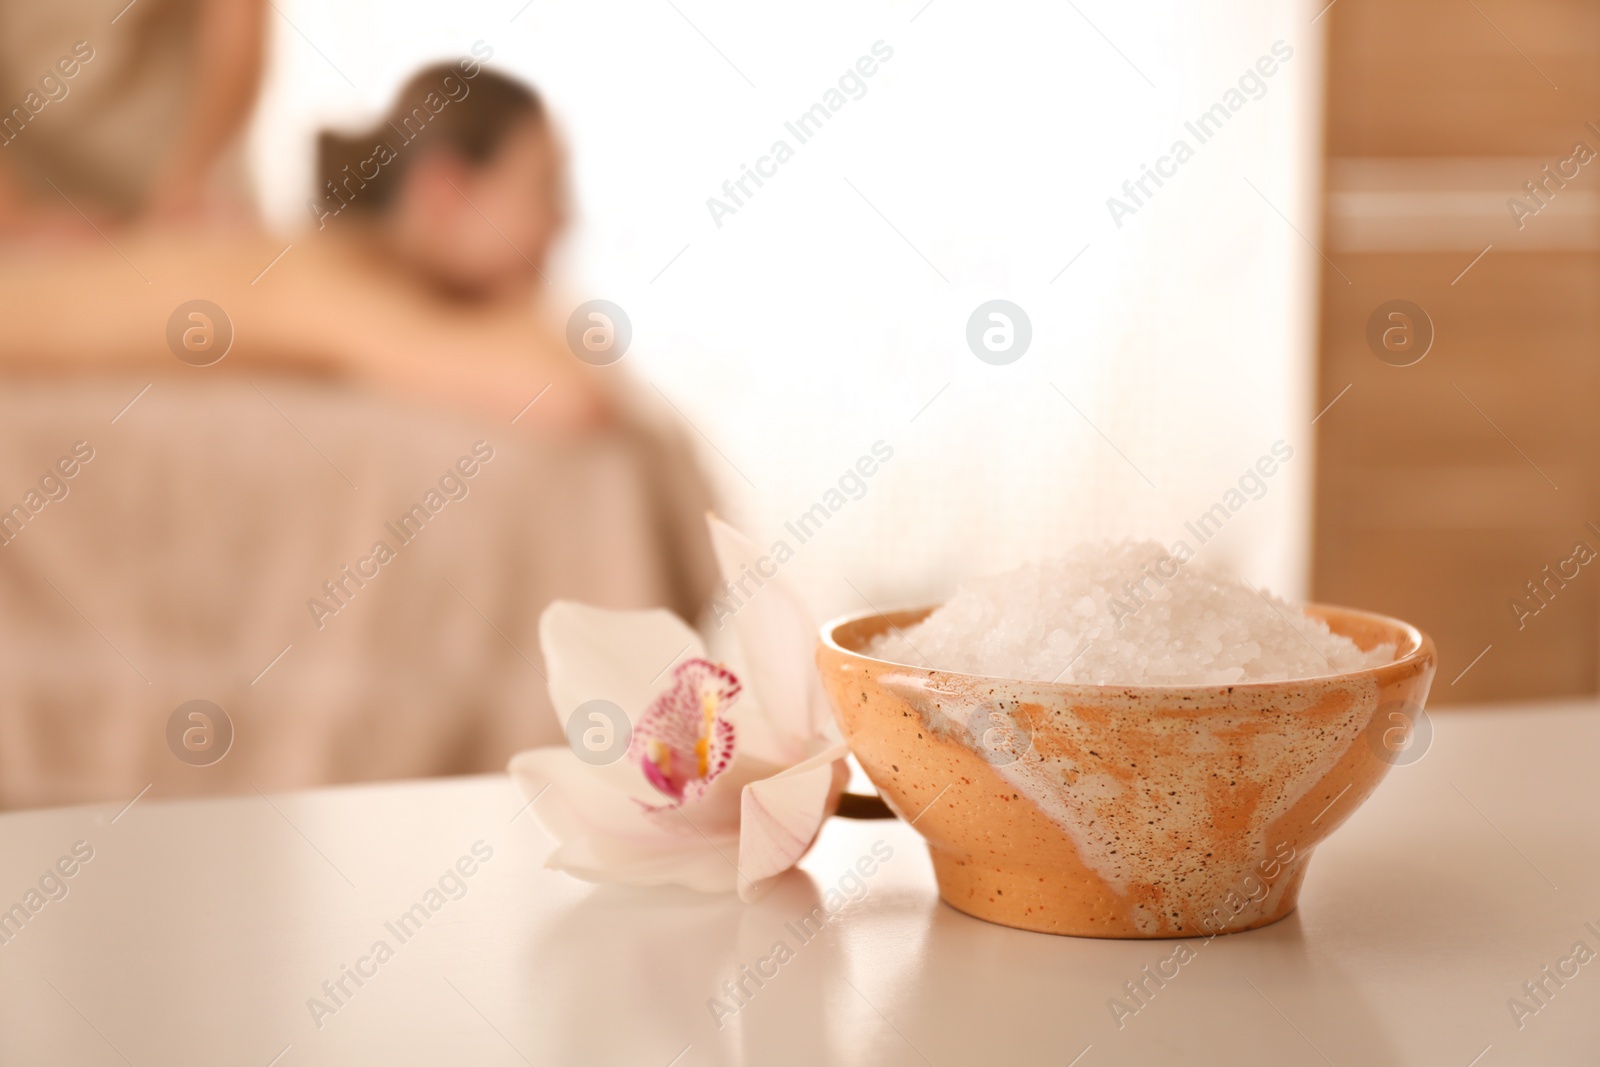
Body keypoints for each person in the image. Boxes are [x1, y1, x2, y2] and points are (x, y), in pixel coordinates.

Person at [0, 62, 611, 434]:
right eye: (544, 186)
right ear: (445, 191)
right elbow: (563, 396)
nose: (565, 220)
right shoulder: (327, 277)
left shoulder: (332, 260)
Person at [0, 0, 268, 232]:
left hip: (197, 200)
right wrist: (11, 210)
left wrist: (192, 182)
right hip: (28, 206)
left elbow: (237, 24)